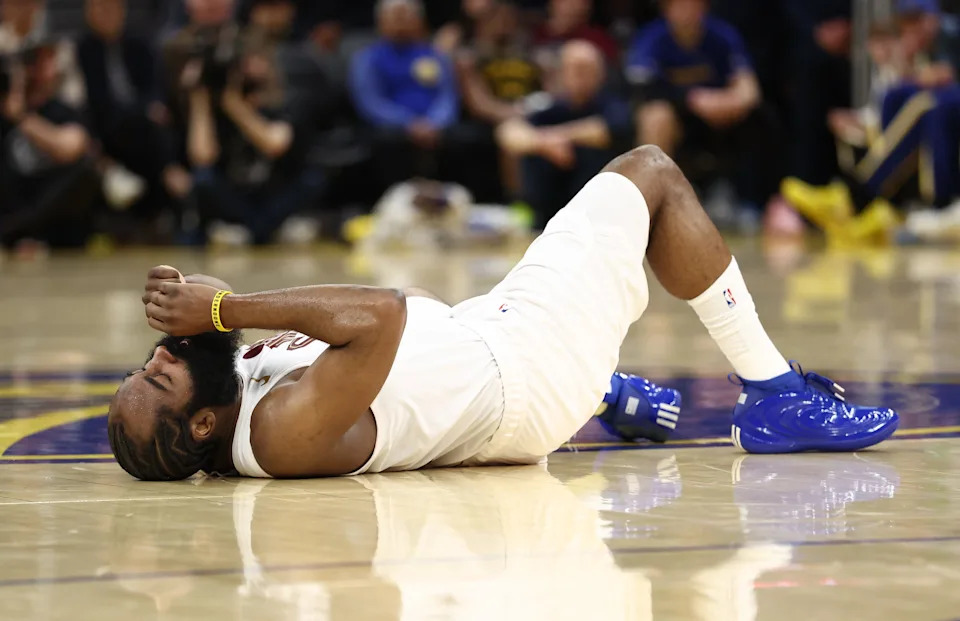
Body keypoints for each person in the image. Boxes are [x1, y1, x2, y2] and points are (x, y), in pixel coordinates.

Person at [107, 143, 899, 481]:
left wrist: (191, 296)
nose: (161, 355)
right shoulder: (277, 435)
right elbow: (378, 314)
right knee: (650, 175)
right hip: (524, 372)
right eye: (160, 376)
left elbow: (228, 321)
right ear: (203, 426)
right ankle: (772, 396)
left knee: (436, 310)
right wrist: (223, 305)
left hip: (491, 336)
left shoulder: (233, 384)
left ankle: (609, 391)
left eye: (151, 360)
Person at [77, 0, 190, 221]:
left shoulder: (140, 44)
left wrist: (152, 106)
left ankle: (171, 197)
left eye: (111, 9)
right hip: (107, 124)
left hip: (141, 122)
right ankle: (171, 177)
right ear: (88, 14)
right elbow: (94, 101)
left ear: (122, 11)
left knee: (160, 121)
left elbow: (154, 88)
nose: (106, 15)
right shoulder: (83, 50)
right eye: (100, 9)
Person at [497, 40, 630, 227]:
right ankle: (527, 216)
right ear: (561, 73)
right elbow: (508, 132)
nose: (581, 75)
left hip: (598, 211)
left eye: (587, 69)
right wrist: (543, 144)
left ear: (601, 74)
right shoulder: (549, 106)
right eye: (575, 69)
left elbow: (606, 130)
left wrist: (554, 137)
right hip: (548, 200)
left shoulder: (612, 104)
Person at [348, 0, 467, 196]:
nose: (401, 21)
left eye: (406, 16)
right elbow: (370, 102)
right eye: (395, 16)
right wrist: (409, 124)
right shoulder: (367, 58)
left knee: (468, 139)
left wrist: (435, 122)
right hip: (392, 128)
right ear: (380, 22)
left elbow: (447, 96)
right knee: (388, 142)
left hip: (435, 127)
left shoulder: (435, 55)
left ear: (420, 21)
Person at [0, 42, 99, 248]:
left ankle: (19, 233)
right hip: (15, 199)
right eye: (37, 63)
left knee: (86, 172)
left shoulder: (62, 110)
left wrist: (21, 117)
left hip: (47, 206)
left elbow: (70, 149)